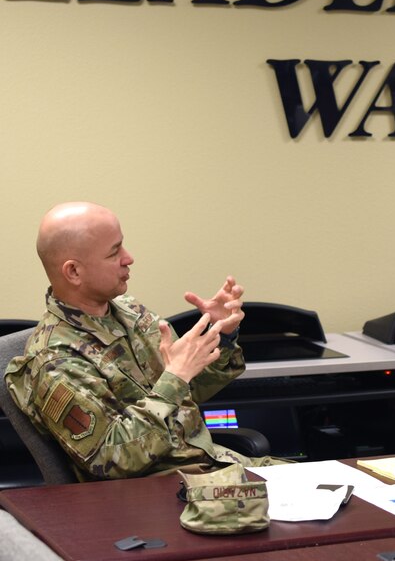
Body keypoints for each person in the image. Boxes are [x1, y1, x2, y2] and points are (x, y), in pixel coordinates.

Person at [5, 201, 277, 480]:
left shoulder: (129, 311)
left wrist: (220, 334)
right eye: (114, 253)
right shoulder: (54, 359)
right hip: (159, 492)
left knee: (322, 482)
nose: (128, 258)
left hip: (213, 465)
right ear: (74, 272)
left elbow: (189, 389)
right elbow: (110, 459)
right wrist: (175, 377)